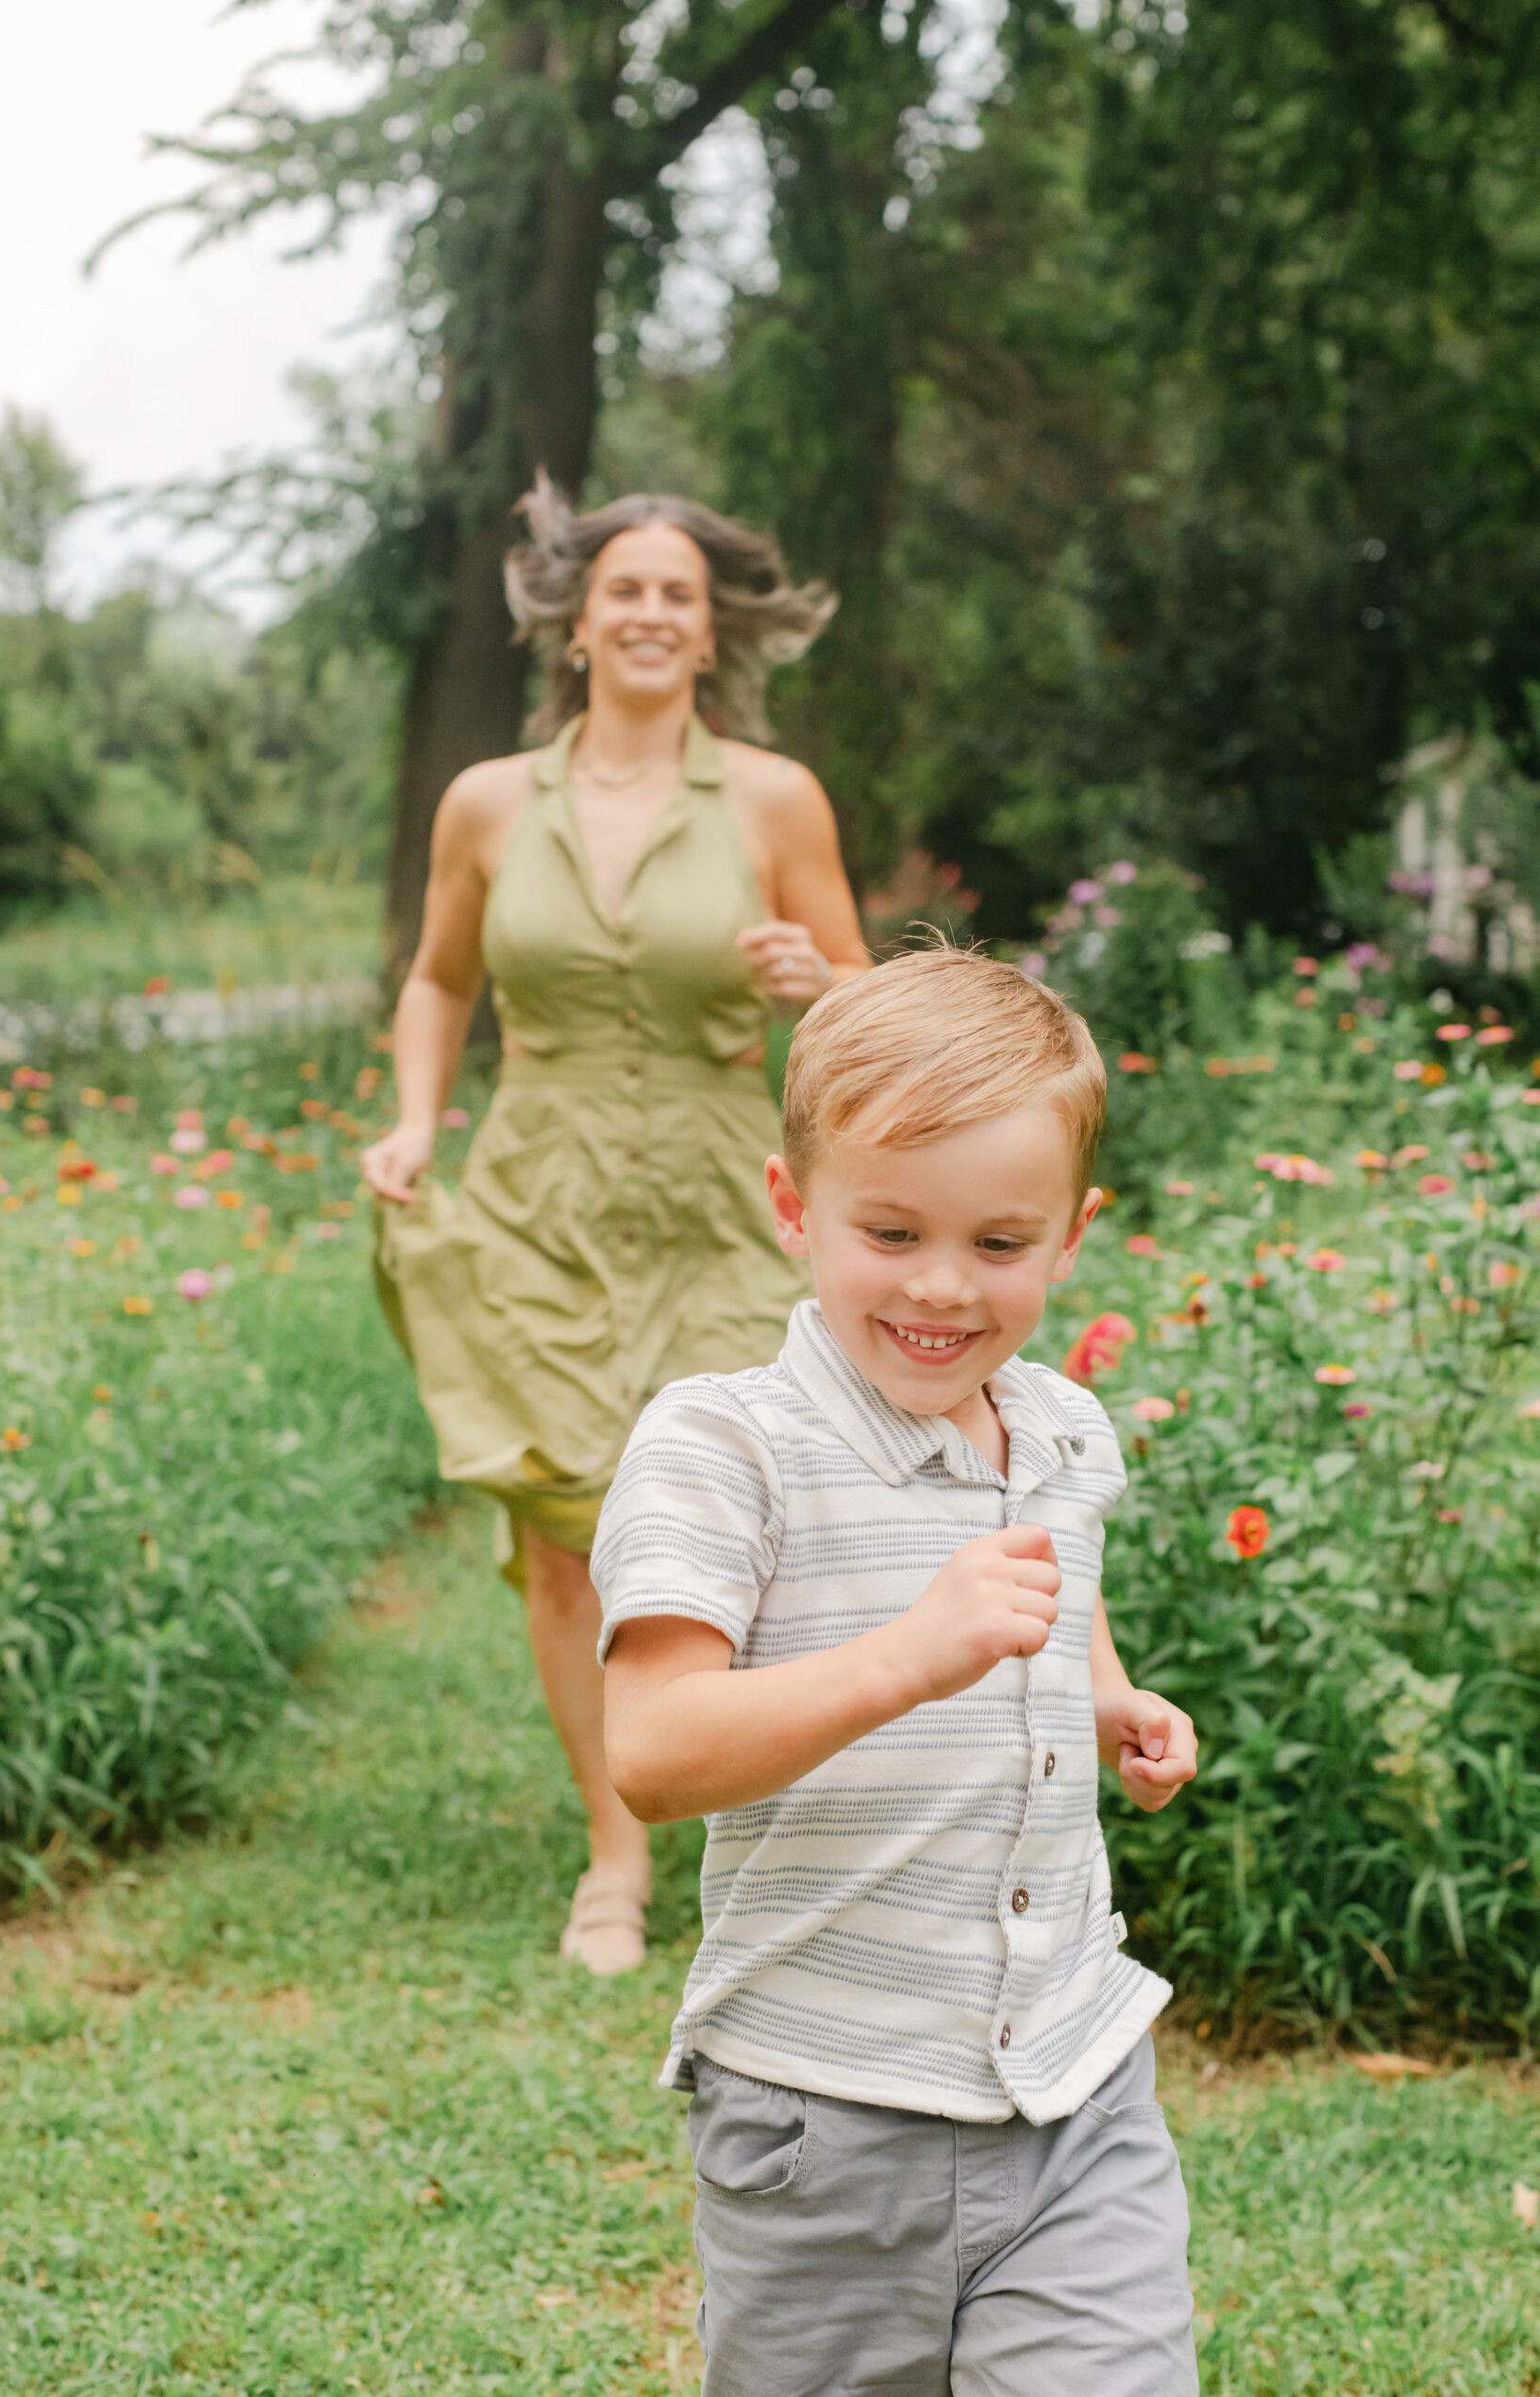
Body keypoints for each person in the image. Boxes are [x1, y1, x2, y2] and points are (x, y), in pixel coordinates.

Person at [595, 949, 1201, 2396]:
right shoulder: (722, 1449)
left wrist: (1107, 1690)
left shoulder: (1061, 1428)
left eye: (1000, 1245)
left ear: (1071, 1236)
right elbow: (657, 1750)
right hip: (824, 2118)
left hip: (1073, 2085)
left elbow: (1056, 1591)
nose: (941, 1286)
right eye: (889, 1231)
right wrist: (904, 1661)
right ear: (795, 1207)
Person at [362, 477, 868, 1978]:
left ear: (711, 638)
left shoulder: (777, 800)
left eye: (679, 597)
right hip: (540, 1199)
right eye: (625, 591)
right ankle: (614, 1851)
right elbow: (440, 981)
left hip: (725, 1201)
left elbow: (866, 997)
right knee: (569, 1534)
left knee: (752, 1526)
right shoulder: (487, 804)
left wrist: (814, 984)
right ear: (576, 624)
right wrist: (413, 1119)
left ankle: (760, 1829)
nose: (650, 614)